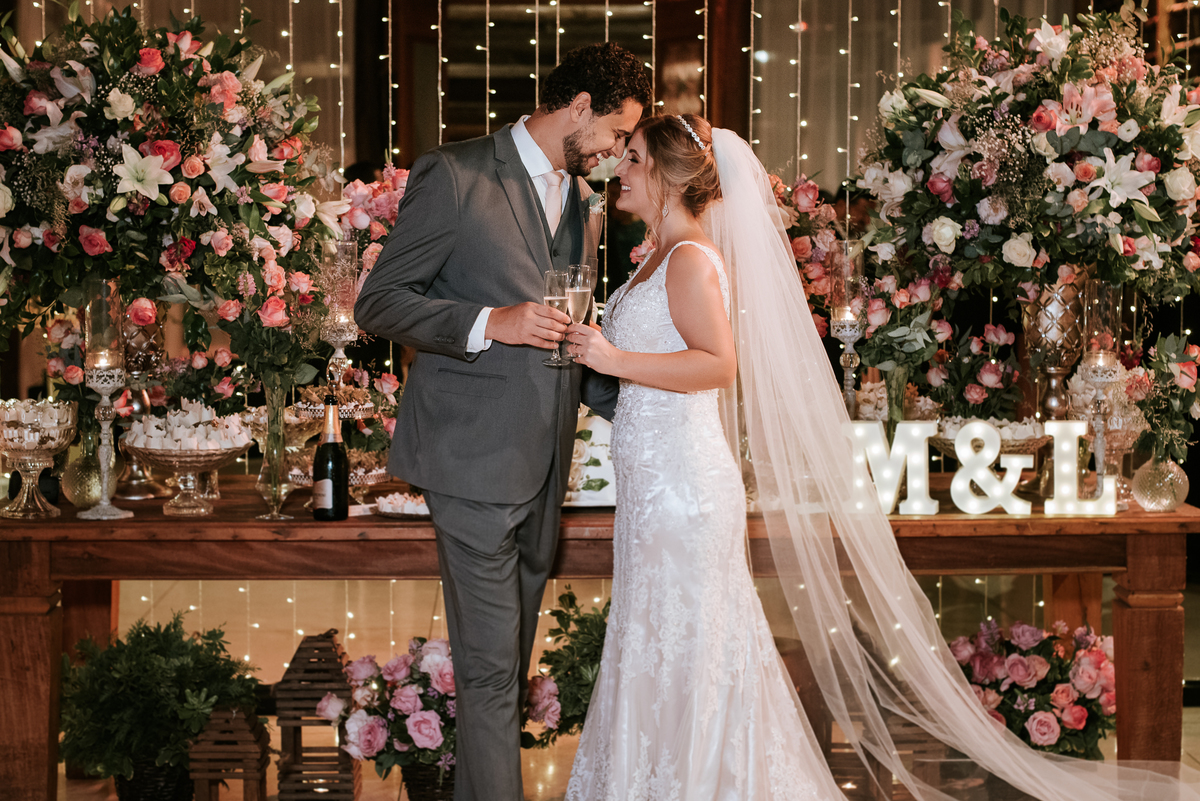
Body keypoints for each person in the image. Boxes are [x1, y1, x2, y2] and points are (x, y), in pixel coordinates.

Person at [565, 114, 1200, 800]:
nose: (620, 169)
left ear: (667, 174)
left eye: (633, 158)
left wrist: (611, 357)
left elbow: (718, 364)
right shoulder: (656, 255)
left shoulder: (690, 258)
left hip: (683, 488)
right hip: (652, 482)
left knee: (687, 643)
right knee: (651, 638)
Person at [354, 43, 650, 801]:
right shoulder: (454, 174)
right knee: (489, 676)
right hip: (471, 463)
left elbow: (568, 338)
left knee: (506, 674)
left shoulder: (581, 203)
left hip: (544, 468)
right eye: (617, 132)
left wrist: (650, 408)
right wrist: (493, 321)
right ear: (578, 108)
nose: (617, 152)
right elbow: (379, 303)